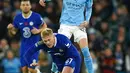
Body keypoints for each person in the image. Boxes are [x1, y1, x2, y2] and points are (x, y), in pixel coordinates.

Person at [39, 0, 94, 73]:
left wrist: (87, 20)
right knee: (57, 47)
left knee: (85, 51)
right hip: (65, 25)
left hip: (79, 25)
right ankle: (54, 71)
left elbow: (89, 8)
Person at [7, 0, 47, 73]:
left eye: (27, 5)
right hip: (23, 47)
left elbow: (45, 26)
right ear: (20, 6)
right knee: (24, 70)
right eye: (23, 5)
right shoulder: (17, 18)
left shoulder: (36, 16)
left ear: (30, 6)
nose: (25, 6)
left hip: (34, 46)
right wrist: (10, 29)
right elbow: (13, 33)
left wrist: (38, 31)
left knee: (31, 69)